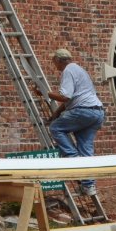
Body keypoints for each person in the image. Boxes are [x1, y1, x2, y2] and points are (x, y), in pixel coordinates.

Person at [45, 47, 106, 195]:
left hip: (83, 111)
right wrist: (55, 114)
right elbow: (69, 102)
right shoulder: (80, 70)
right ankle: (88, 186)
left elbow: (65, 97)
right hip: (97, 112)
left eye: (55, 63)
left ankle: (73, 158)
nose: (55, 66)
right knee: (86, 149)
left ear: (59, 61)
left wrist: (45, 93)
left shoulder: (68, 70)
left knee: (56, 128)